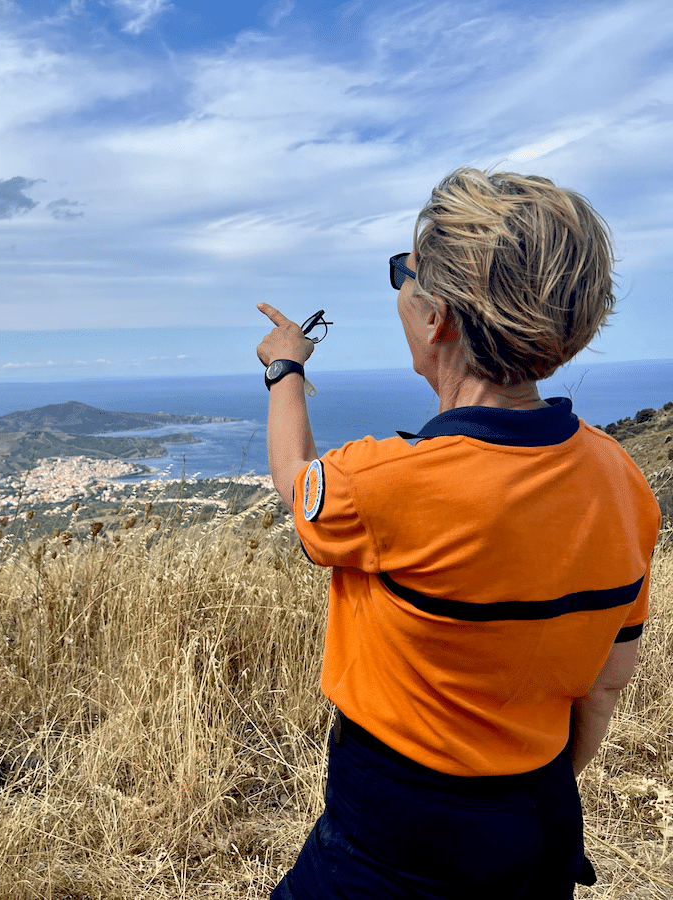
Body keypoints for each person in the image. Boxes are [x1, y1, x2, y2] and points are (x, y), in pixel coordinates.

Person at [255, 168, 660, 899]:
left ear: (436, 314)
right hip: (539, 816)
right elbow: (608, 682)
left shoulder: (382, 484)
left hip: (397, 824)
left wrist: (285, 366)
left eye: (403, 276)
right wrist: (525, 793)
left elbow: (295, 483)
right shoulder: (623, 482)